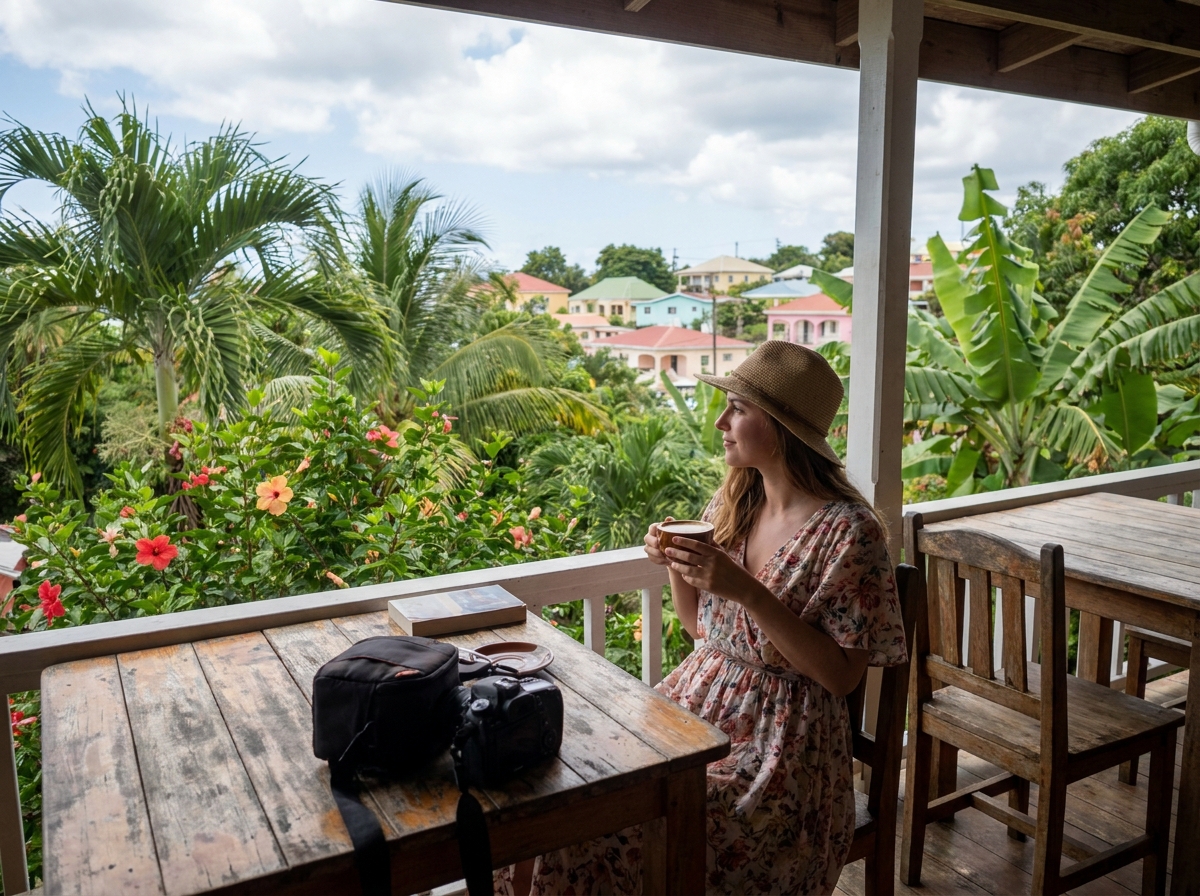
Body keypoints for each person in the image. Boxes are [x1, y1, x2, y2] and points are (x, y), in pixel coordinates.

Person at [505, 340, 908, 896]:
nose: (721, 422)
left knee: (597, 829)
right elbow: (701, 627)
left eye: (737, 409)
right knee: (559, 791)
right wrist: (675, 561)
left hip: (781, 751)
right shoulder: (735, 502)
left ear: (782, 429)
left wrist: (750, 593)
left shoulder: (849, 531)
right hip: (694, 708)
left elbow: (841, 677)